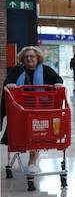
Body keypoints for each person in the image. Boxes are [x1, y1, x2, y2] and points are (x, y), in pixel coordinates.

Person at [2, 46, 64, 175]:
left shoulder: (46, 70)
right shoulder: (17, 70)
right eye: (26, 57)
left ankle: (32, 162)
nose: (29, 58)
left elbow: (58, 79)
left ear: (38, 58)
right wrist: (10, 84)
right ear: (22, 59)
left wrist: (57, 84)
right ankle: (29, 159)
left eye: (32, 56)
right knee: (23, 134)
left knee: (36, 134)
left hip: (40, 111)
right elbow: (8, 82)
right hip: (20, 111)